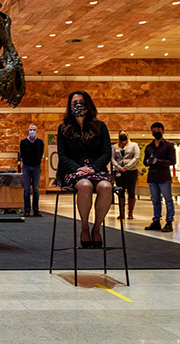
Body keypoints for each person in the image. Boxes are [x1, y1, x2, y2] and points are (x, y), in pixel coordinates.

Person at [57, 91, 113, 249]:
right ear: (70, 106)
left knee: (106, 187)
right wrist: (77, 168)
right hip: (74, 171)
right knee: (85, 186)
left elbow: (106, 152)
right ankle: (84, 227)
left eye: (81, 101)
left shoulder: (100, 126)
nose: (78, 105)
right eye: (74, 102)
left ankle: (97, 228)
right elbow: (63, 155)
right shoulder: (64, 129)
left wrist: (93, 169)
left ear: (88, 104)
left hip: (97, 169)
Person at [144, 122, 176, 233]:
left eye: (158, 130)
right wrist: (149, 161)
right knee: (155, 200)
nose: (156, 132)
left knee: (168, 199)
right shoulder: (149, 147)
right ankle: (156, 220)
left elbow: (172, 161)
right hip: (152, 177)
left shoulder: (168, 146)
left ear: (163, 131)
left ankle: (169, 221)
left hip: (164, 177)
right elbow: (145, 162)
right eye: (154, 131)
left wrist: (158, 161)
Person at [111, 130, 140, 219]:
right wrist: (118, 167)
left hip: (131, 171)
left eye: (124, 135)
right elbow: (112, 158)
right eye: (121, 135)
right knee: (121, 192)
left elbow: (136, 157)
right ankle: (121, 213)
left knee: (131, 191)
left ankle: (130, 213)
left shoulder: (134, 145)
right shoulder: (116, 146)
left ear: (127, 135)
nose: (123, 136)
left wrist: (127, 166)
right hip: (119, 171)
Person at [20, 123, 44, 217]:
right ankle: (26, 209)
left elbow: (41, 153)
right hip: (26, 166)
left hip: (36, 167)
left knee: (36, 189)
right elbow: (22, 153)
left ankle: (36, 209)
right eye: (31, 129)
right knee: (26, 189)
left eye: (34, 130)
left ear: (36, 131)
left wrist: (37, 160)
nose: (32, 131)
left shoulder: (40, 142)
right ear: (28, 131)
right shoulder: (23, 142)